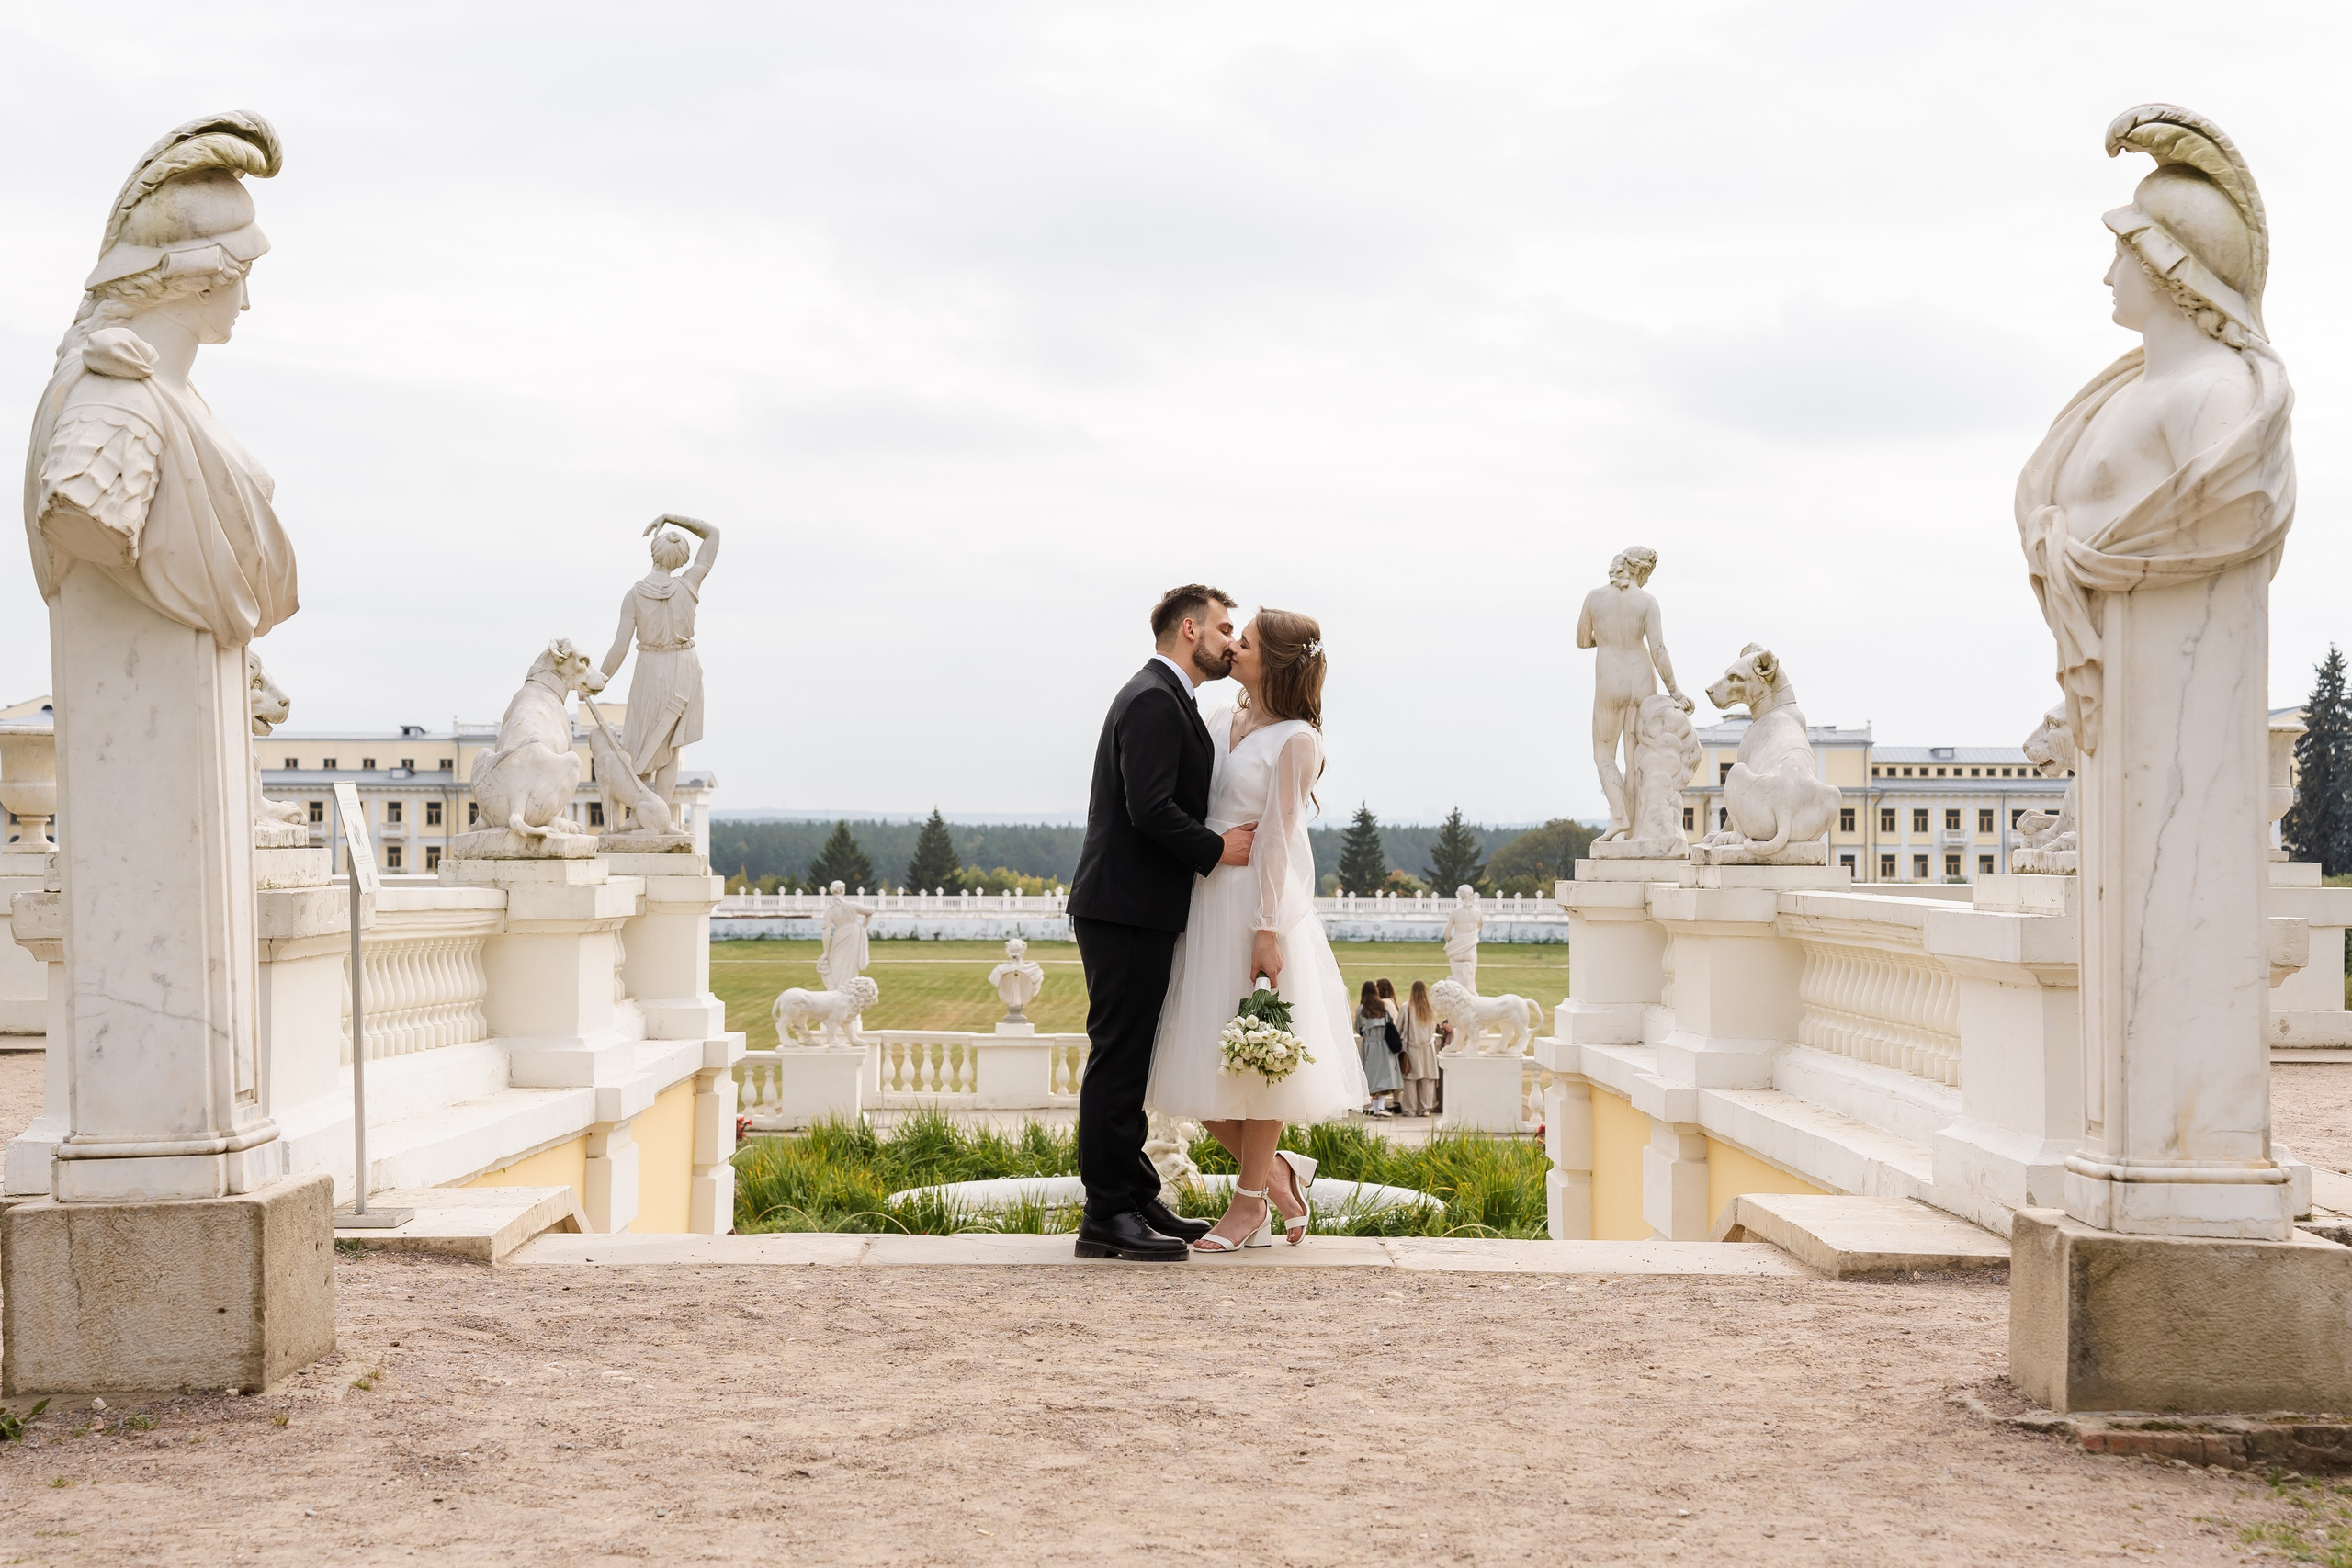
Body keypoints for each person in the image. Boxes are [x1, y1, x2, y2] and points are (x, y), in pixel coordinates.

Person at [1144, 608, 1367, 1252]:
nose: (1233, 645)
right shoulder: (1222, 718)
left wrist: (1268, 927)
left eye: (1246, 641)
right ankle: (1278, 1172)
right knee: (1192, 1065)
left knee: (1257, 1065)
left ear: (1273, 660)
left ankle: (1248, 1206)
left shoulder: (1298, 739)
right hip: (1206, 898)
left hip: (1257, 910)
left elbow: (1280, 839)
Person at [1066, 585, 1257, 1262]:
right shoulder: (1152, 699)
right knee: (1118, 1057)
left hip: (1134, 906)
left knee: (1131, 1057)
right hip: (1123, 907)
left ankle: (1135, 1192)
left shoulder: (1167, 696)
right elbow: (1146, 807)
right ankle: (1106, 1213)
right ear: (1188, 629)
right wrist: (1218, 848)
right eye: (1224, 628)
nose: (1232, 641)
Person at [598, 513, 718, 821]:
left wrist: (600, 678)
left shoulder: (635, 595)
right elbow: (713, 534)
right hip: (685, 667)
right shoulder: (690, 583)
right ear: (680, 560)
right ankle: (655, 819)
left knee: (642, 746)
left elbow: (620, 647)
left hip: (650, 668)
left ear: (653, 552)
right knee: (670, 750)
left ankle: (643, 816)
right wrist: (672, 518)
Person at [1577, 547, 1692, 842]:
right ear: (1642, 571)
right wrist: (1675, 691)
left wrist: (1605, 639)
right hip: (1642, 678)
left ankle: (1619, 816)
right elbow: (1658, 649)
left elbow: (1581, 640)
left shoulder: (1594, 598)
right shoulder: (1647, 602)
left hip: (1610, 679)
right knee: (1636, 757)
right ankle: (1637, 829)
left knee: (1604, 753)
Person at [1354, 981, 1403, 1116]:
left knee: (1372, 1076)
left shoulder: (1361, 1009)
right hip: (1384, 1045)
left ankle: (1377, 1108)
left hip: (1370, 1045)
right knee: (1384, 1076)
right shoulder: (1383, 1006)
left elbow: (1358, 1028)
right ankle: (1379, 1108)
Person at [1397, 980, 1442, 1116]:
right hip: (1428, 1048)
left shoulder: (1406, 1007)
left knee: (1410, 1079)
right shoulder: (1431, 1009)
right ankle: (1425, 1108)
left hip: (1411, 1047)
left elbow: (1398, 1028)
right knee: (1427, 1079)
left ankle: (1410, 1109)